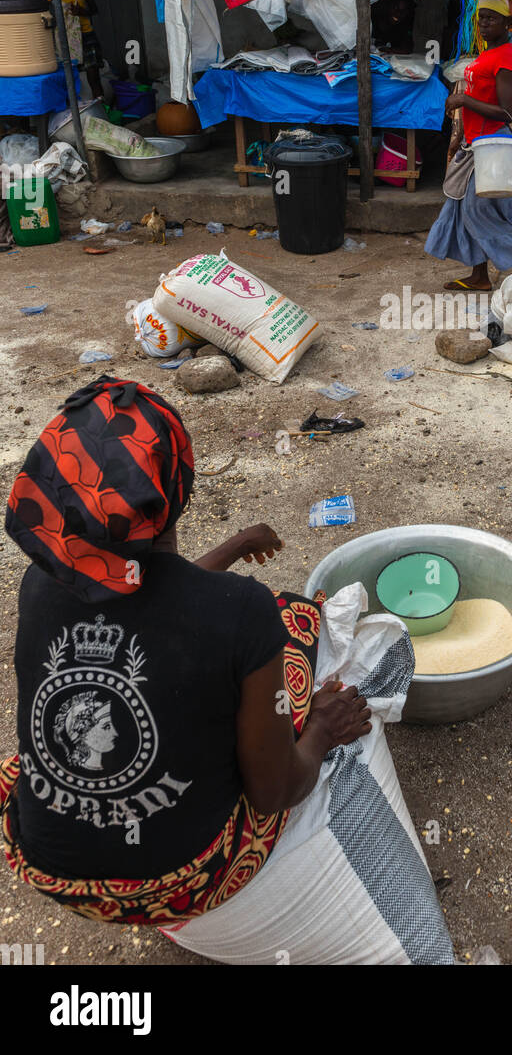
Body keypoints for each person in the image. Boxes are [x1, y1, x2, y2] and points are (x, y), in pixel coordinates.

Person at [0, 376, 450, 961]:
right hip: (176, 884)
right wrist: (321, 728)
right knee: (294, 620)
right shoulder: (240, 612)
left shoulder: (43, 585)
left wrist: (234, 546)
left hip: (44, 863)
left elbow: (153, 597)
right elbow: (273, 793)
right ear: (177, 487)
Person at [425, 0, 512, 291]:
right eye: (480, 18)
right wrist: (458, 134)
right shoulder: (488, 54)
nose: (483, 25)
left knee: (479, 210)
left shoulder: (505, 59)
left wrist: (463, 102)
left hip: (493, 146)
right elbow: (477, 96)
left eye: (491, 19)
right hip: (475, 143)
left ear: (508, 23)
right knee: (469, 209)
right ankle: (480, 276)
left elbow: (506, 113)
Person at [39, 0, 102, 99]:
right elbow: (42, 17)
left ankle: (102, 107)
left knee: (93, 75)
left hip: (86, 34)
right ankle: (72, 112)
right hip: (64, 39)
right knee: (67, 77)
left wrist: (81, 11)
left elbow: (94, 9)